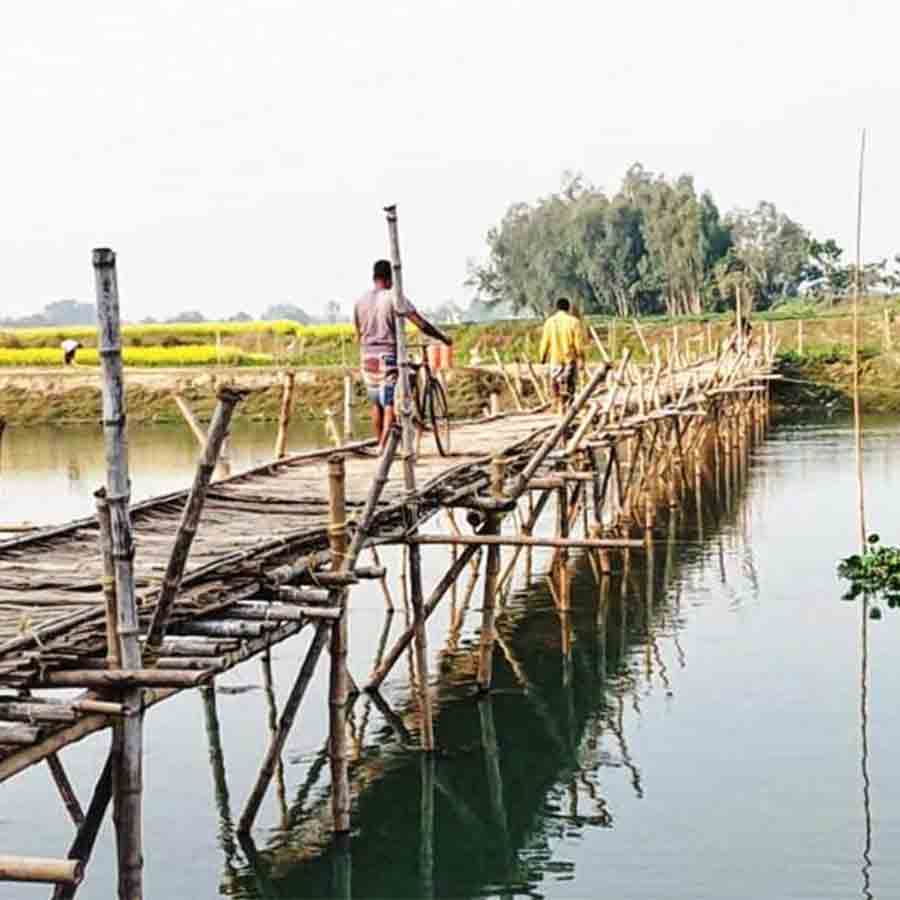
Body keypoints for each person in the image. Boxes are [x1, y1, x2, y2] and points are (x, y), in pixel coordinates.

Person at [353, 259, 452, 451]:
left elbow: (358, 334)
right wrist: (443, 338)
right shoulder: (394, 297)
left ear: (374, 277)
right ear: (390, 278)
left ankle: (380, 444)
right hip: (387, 356)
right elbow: (421, 324)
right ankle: (383, 448)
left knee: (376, 403)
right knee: (389, 402)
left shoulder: (360, 301)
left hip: (367, 357)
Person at [539, 297, 584, 412]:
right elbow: (578, 344)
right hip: (570, 359)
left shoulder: (550, 322)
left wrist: (542, 357)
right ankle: (569, 408)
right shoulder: (574, 322)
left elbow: (545, 341)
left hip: (555, 359)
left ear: (557, 308)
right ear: (568, 308)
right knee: (570, 384)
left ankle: (557, 404)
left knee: (555, 382)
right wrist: (581, 358)